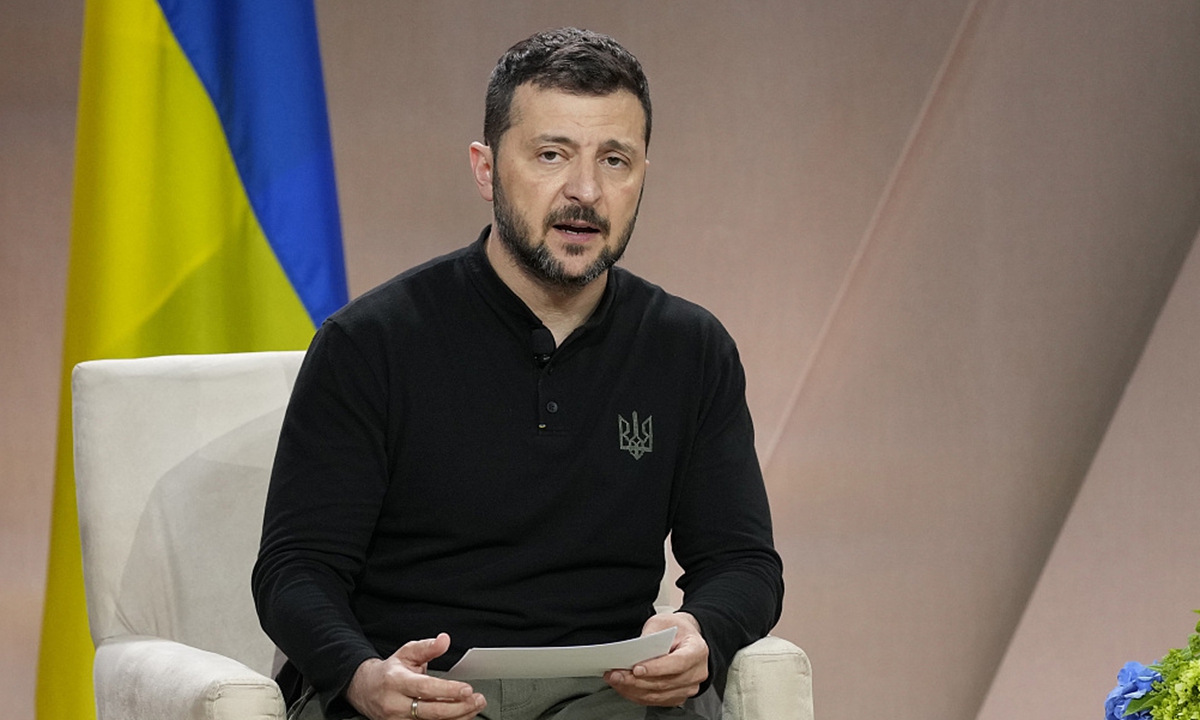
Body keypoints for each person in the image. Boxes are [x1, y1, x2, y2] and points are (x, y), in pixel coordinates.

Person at [253, 27, 783, 720]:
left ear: (642, 174)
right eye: (551, 155)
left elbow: (744, 562)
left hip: (612, 697)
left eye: (615, 160)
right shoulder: (369, 343)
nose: (585, 191)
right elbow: (295, 569)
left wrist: (701, 630)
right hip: (421, 697)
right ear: (485, 169)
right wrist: (360, 674)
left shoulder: (690, 349)